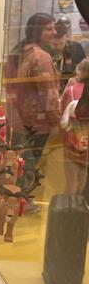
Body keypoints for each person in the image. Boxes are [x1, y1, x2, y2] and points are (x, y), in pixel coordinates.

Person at [5, 13, 60, 208]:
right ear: (37, 31)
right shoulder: (41, 57)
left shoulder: (18, 53)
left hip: (18, 119)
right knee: (28, 163)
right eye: (49, 28)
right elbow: (49, 93)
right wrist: (56, 121)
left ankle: (15, 199)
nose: (54, 32)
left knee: (19, 162)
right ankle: (22, 201)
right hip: (37, 121)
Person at [60, 59, 89, 195]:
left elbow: (62, 120)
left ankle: (70, 205)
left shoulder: (70, 90)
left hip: (72, 143)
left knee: (71, 181)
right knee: (82, 179)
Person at [52, 19, 86, 94]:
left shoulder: (76, 48)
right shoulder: (45, 51)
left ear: (66, 37)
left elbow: (85, 71)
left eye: (61, 43)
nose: (58, 47)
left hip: (71, 89)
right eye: (54, 44)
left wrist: (77, 78)